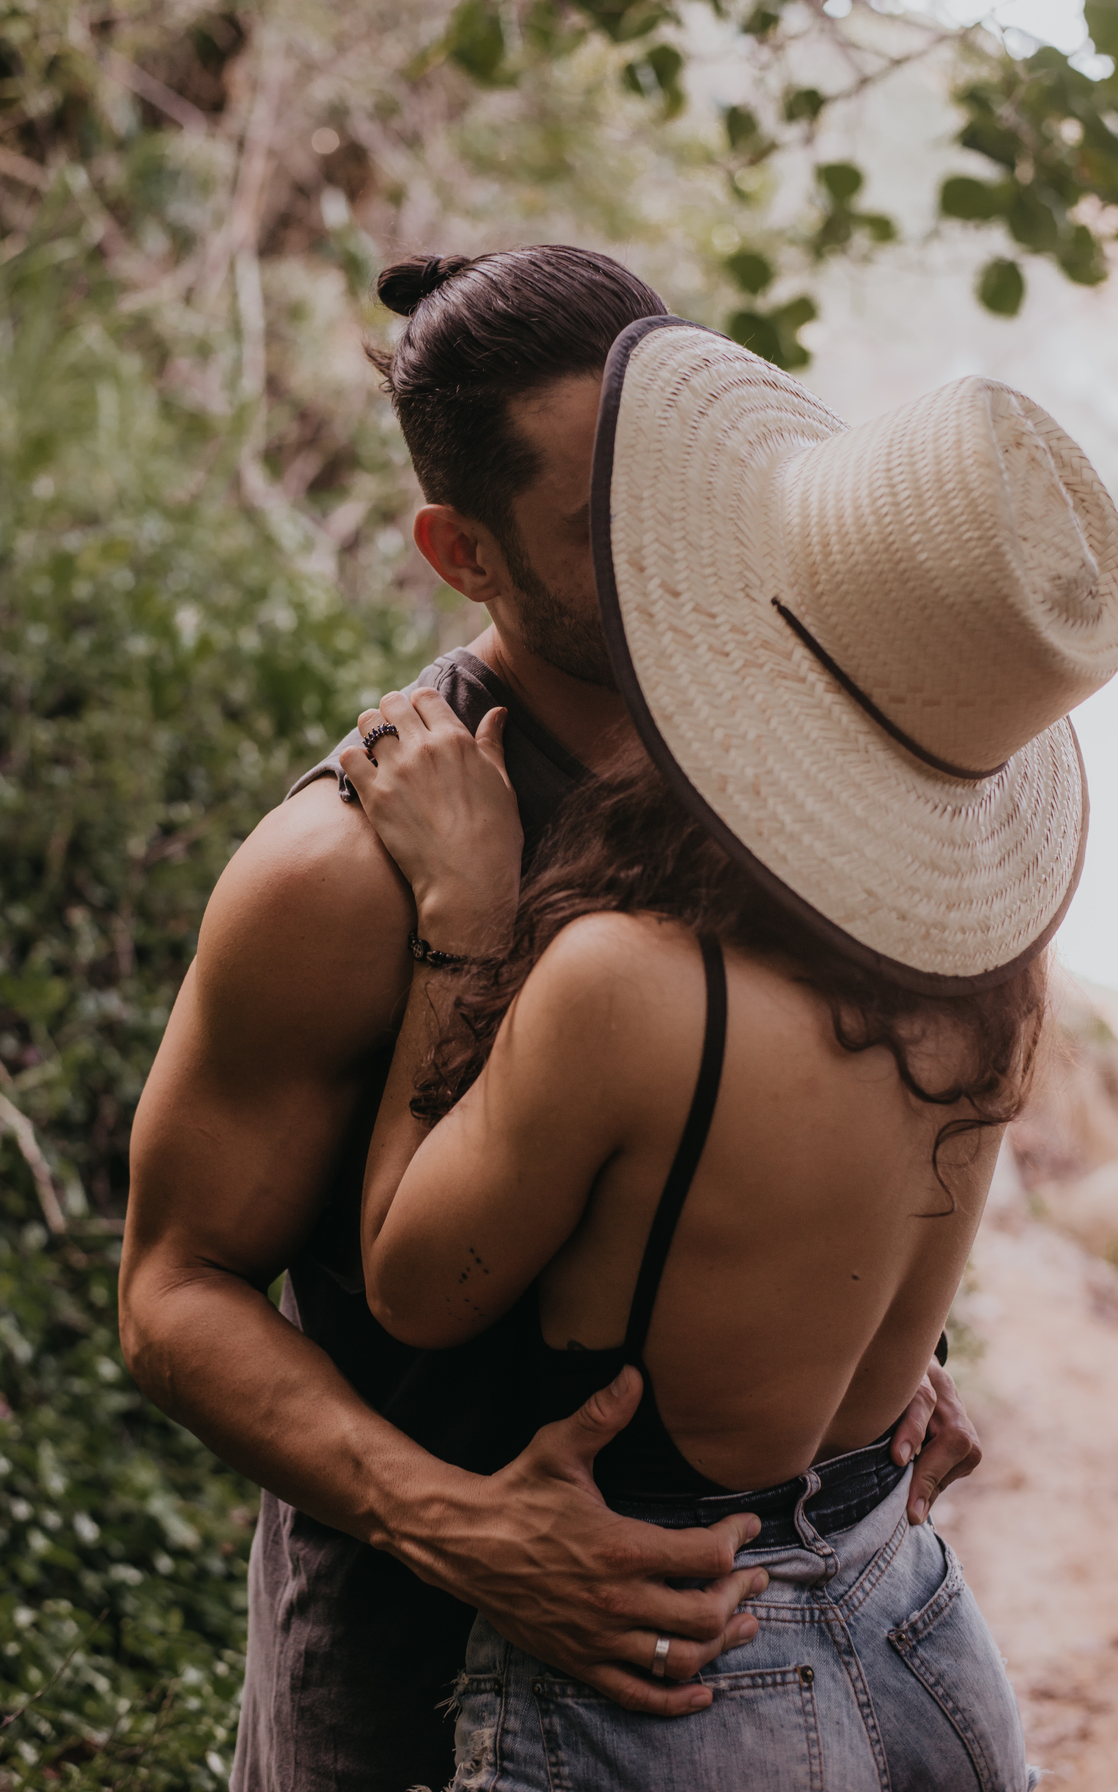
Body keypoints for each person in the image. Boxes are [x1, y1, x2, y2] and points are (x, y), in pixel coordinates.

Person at [119, 251, 984, 1792]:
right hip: (406, 1632)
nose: (674, 549)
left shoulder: (790, 768)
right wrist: (453, 1523)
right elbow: (171, 1290)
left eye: (685, 492)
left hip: (757, 1642)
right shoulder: (340, 872)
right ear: (461, 550)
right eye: (602, 522)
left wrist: (864, 1344)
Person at [344, 320, 1118, 1788]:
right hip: (917, 1621)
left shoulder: (629, 983)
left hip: (682, 1662)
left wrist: (461, 922)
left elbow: (407, 1283)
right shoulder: (996, 974)